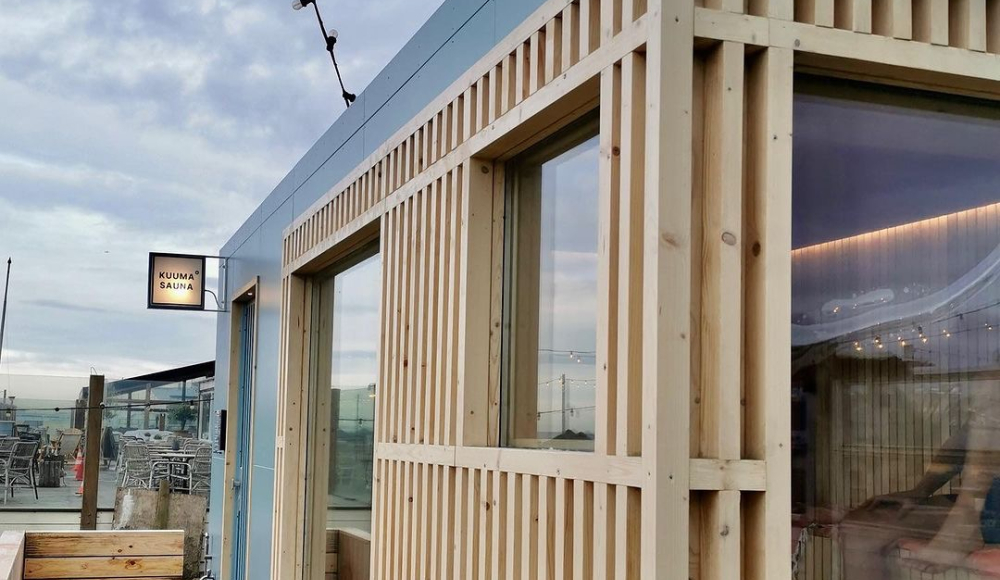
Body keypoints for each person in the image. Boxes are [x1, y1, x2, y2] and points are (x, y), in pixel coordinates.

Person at [839, 386, 1000, 577]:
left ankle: (964, 524)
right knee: (860, 530)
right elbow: (964, 441)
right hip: (988, 502)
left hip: (978, 509)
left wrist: (961, 526)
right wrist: (921, 490)